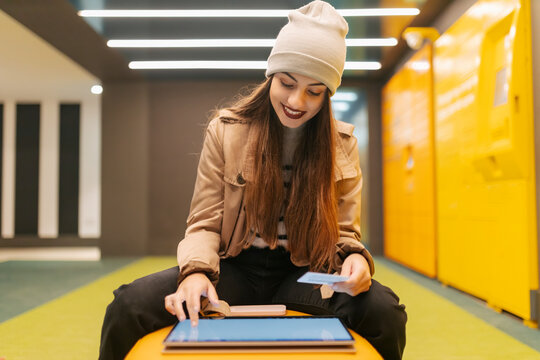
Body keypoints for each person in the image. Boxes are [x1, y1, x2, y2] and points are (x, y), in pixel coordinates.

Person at [99, 1, 407, 359]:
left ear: (328, 94)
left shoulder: (342, 144)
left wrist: (355, 258)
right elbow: (203, 224)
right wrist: (195, 273)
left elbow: (345, 233)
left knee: (386, 311)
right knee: (127, 305)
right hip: (234, 269)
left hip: (305, 275)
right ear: (271, 76)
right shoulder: (226, 131)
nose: (296, 100)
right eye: (287, 83)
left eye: (314, 91)